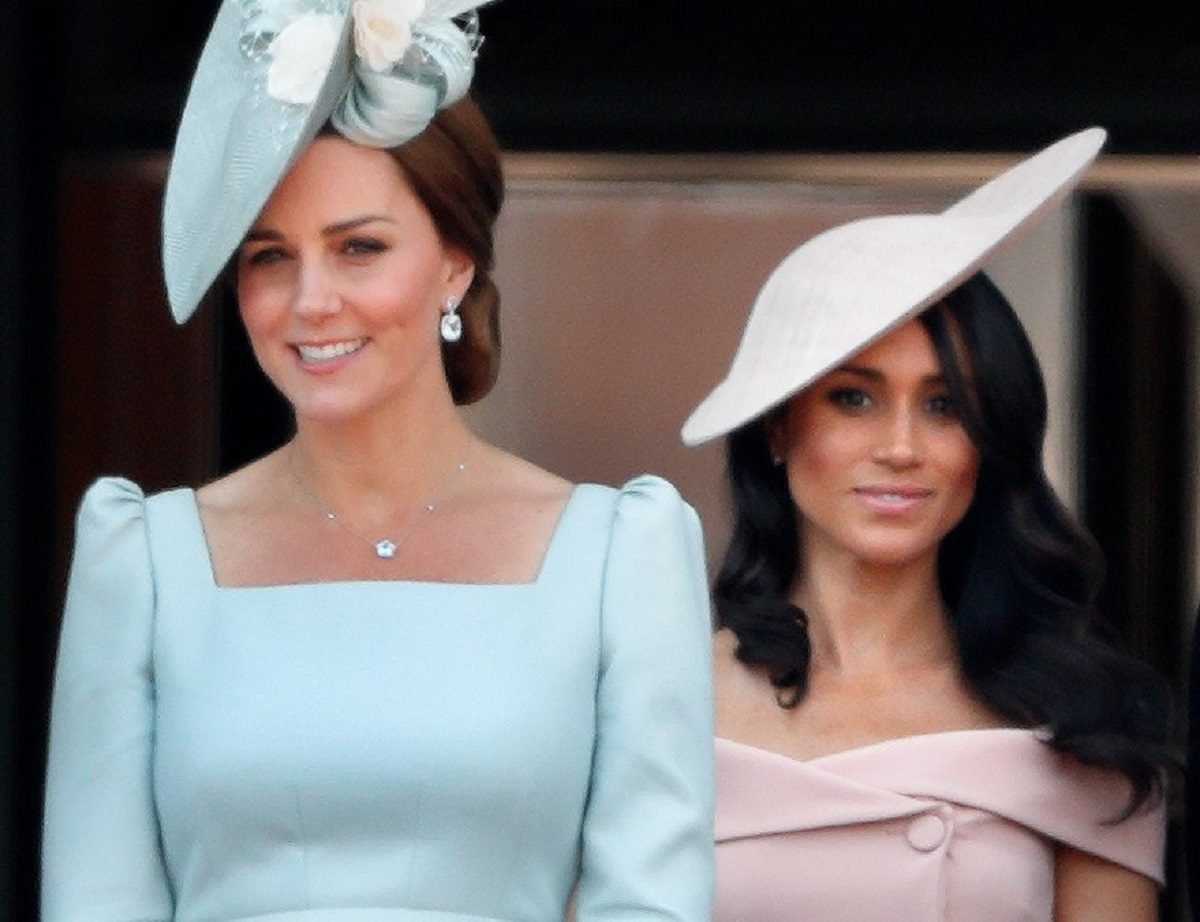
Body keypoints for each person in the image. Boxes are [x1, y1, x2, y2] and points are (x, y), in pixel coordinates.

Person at [41, 2, 714, 919]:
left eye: (359, 248)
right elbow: (95, 900)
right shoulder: (143, 561)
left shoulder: (619, 554)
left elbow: (649, 902)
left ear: (456, 263)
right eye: (268, 257)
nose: (311, 301)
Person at [680, 127, 1178, 921]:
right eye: (854, 397)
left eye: (945, 406)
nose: (902, 448)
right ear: (777, 427)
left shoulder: (1081, 721)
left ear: (989, 437)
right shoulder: (654, 699)